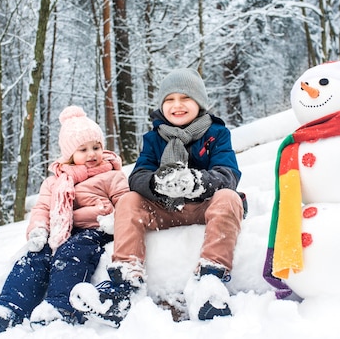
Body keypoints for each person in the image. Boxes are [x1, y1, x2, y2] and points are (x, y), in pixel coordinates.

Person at [70, 68, 246, 326]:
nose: (177, 105)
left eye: (185, 98)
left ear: (199, 102)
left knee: (229, 197)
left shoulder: (216, 134)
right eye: (169, 100)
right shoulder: (153, 138)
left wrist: (195, 182)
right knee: (129, 200)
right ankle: (124, 284)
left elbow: (228, 173)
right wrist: (157, 183)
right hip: (166, 208)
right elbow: (138, 175)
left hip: (203, 205)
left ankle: (210, 281)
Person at [0, 106, 129, 333]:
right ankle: (9, 308)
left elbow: (124, 201)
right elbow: (42, 209)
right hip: (61, 230)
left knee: (73, 251)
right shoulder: (55, 182)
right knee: (34, 257)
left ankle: (61, 307)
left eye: (96, 147)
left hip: (97, 228)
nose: (92, 154)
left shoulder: (111, 175)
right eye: (83, 149)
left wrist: (115, 219)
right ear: (69, 155)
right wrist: (38, 230)